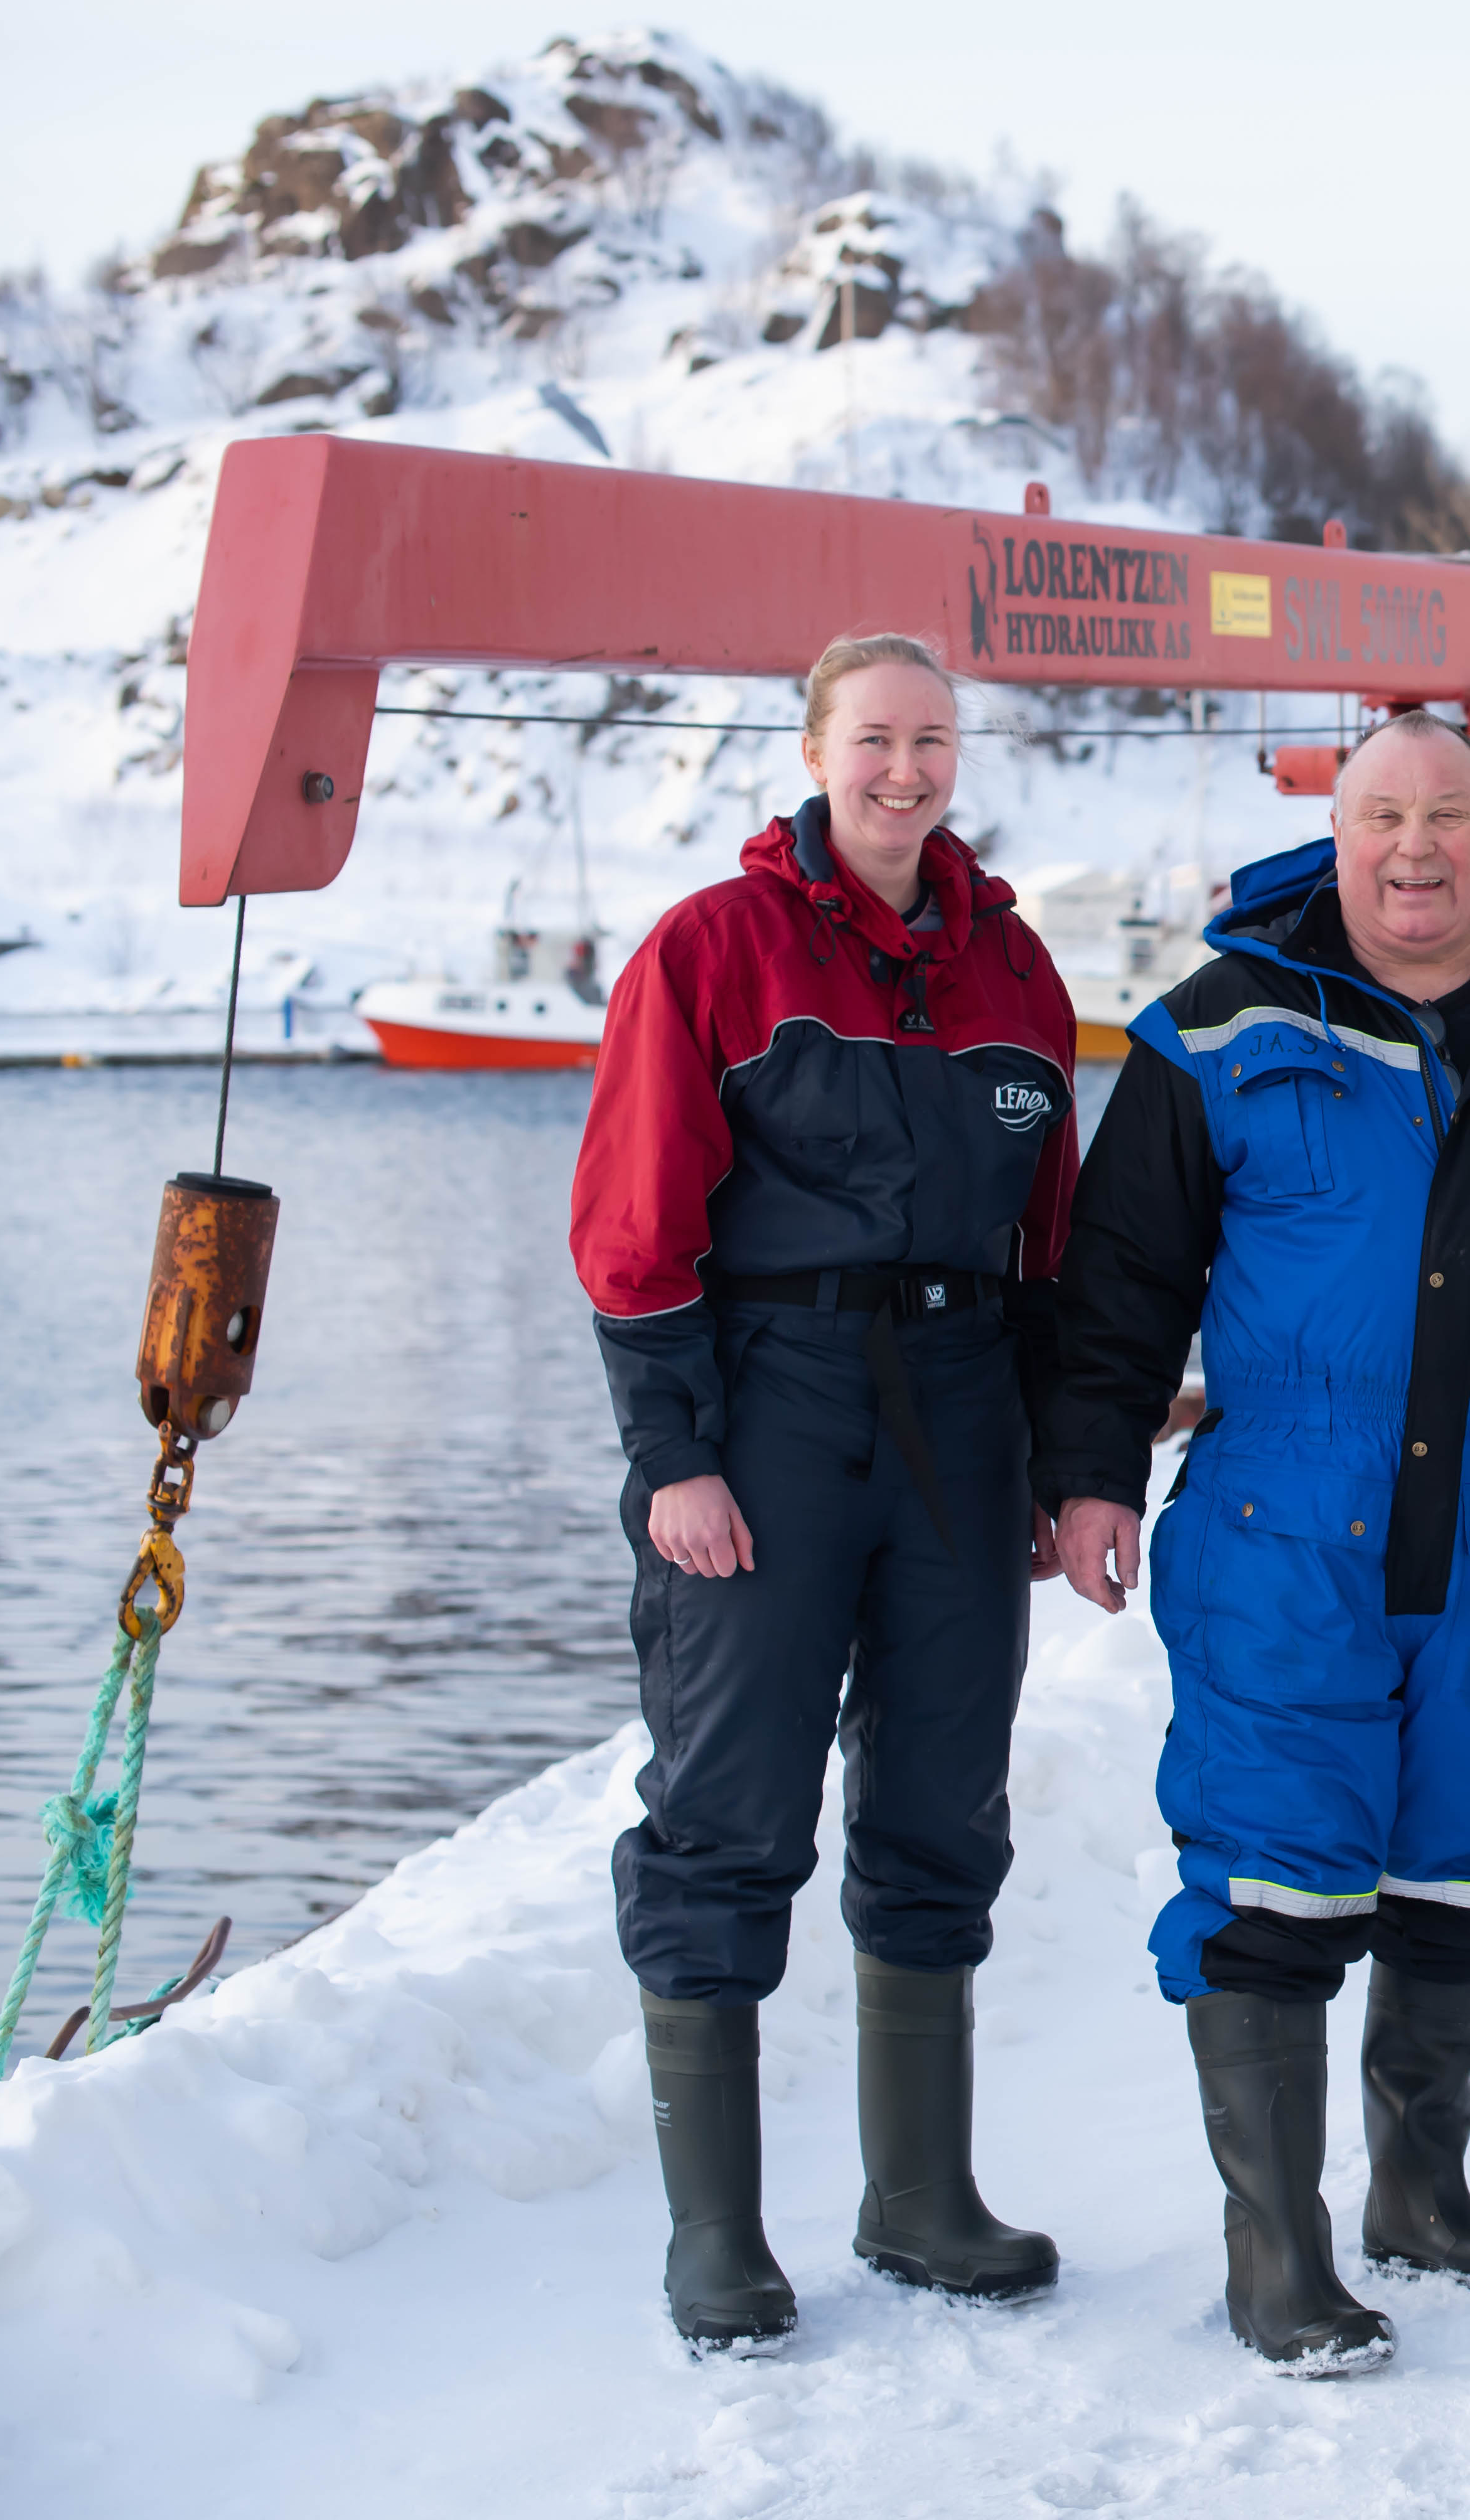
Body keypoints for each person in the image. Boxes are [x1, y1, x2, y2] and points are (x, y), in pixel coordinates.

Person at [1038, 710, 1470, 2377]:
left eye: (1449, 818)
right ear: (1332, 837)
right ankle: (1281, 2255)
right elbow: (1123, 1281)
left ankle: (1424, 2192)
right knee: (1270, 1878)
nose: (1415, 849)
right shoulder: (1215, 1032)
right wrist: (1093, 1473)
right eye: (1384, 816)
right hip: (1284, 1521)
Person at [570, 631, 1078, 2352]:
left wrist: (1051, 1462)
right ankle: (715, 2234)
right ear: (813, 747)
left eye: (933, 740)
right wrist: (675, 1461)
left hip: (960, 1413)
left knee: (943, 1800)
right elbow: (636, 1231)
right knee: (729, 1812)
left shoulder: (1015, 971)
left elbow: (1053, 1248)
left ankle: (917, 2197)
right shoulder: (714, 950)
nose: (905, 771)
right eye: (874, 738)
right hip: (770, 1414)